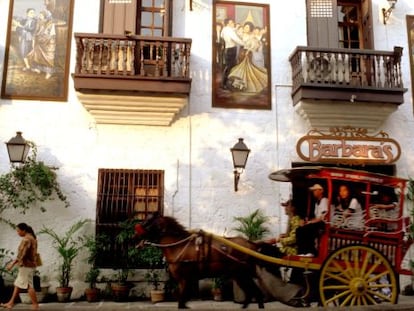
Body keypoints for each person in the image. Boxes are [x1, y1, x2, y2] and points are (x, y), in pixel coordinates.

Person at [1, 223, 39, 310]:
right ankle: (11, 303)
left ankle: (35, 305)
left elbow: (22, 255)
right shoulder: (32, 238)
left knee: (29, 285)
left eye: (18, 231)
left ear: (24, 230)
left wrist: (12, 264)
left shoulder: (26, 239)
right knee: (18, 283)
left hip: (26, 265)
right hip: (29, 265)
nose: (17, 233)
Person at [296, 184, 328, 256]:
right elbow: (316, 217)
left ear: (321, 191)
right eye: (313, 191)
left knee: (308, 228)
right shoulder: (317, 203)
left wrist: (310, 222)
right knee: (299, 229)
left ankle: (311, 251)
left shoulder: (324, 200)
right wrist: (308, 221)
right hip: (317, 223)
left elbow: (322, 217)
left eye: (315, 190)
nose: (314, 192)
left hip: (323, 224)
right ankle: (302, 252)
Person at [25, 10, 56, 79]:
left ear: (46, 16)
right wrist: (35, 38)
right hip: (40, 42)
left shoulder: (51, 24)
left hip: (48, 43)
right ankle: (39, 69)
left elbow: (51, 35)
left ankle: (49, 72)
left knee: (48, 58)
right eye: (40, 15)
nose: (40, 16)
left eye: (41, 15)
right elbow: (36, 31)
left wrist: (44, 39)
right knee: (38, 55)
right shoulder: (39, 22)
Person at [220, 18, 244, 89]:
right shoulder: (229, 30)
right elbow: (236, 39)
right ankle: (225, 84)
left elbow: (222, 35)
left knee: (229, 67)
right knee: (230, 67)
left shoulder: (225, 29)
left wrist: (235, 29)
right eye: (231, 23)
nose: (233, 23)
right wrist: (244, 43)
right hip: (231, 49)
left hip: (228, 49)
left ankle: (225, 83)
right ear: (228, 24)